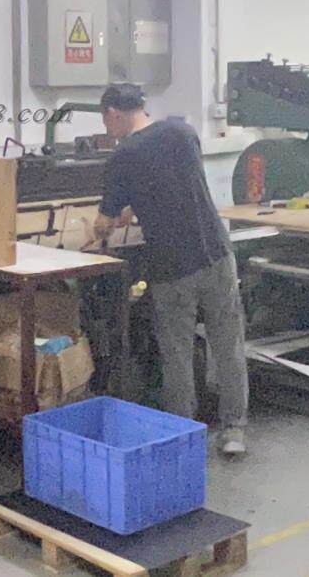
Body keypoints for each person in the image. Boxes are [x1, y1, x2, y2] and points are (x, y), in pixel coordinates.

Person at [89, 83, 249, 457]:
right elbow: (175, 185)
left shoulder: (122, 156)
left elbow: (104, 221)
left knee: (177, 354)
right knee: (228, 346)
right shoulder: (182, 132)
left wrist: (100, 229)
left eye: (106, 122)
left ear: (113, 114)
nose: (109, 129)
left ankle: (184, 434)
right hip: (216, 254)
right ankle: (234, 431)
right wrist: (136, 205)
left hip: (172, 267)